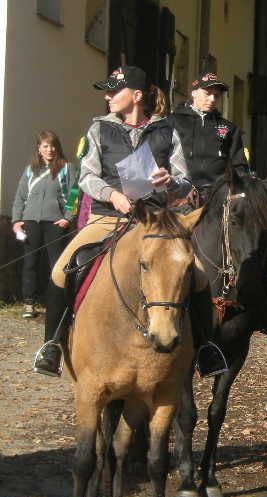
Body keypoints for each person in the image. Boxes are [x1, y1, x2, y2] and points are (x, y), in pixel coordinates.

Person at [33, 65, 195, 377]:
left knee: (198, 276)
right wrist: (112, 195)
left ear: (136, 96)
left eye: (113, 91)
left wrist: (171, 182)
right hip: (107, 218)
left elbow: (185, 182)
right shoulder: (98, 130)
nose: (107, 97)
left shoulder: (167, 132)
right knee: (60, 270)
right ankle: (52, 346)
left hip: (155, 223)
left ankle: (204, 350)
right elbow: (87, 176)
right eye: (106, 91)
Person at [12, 131, 77, 319]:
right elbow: (20, 197)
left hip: (55, 223)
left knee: (56, 265)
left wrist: (68, 217)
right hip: (31, 221)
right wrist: (17, 221)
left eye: (53, 145)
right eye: (46, 146)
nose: (50, 149)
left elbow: (74, 194)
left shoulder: (67, 168)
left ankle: (56, 303)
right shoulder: (30, 170)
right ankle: (29, 303)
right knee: (30, 264)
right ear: (39, 149)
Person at [168, 72, 249, 206]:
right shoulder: (172, 122)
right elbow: (159, 159)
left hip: (218, 199)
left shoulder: (229, 129)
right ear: (194, 92)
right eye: (207, 93)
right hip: (181, 197)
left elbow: (240, 167)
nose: (212, 99)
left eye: (216, 96)